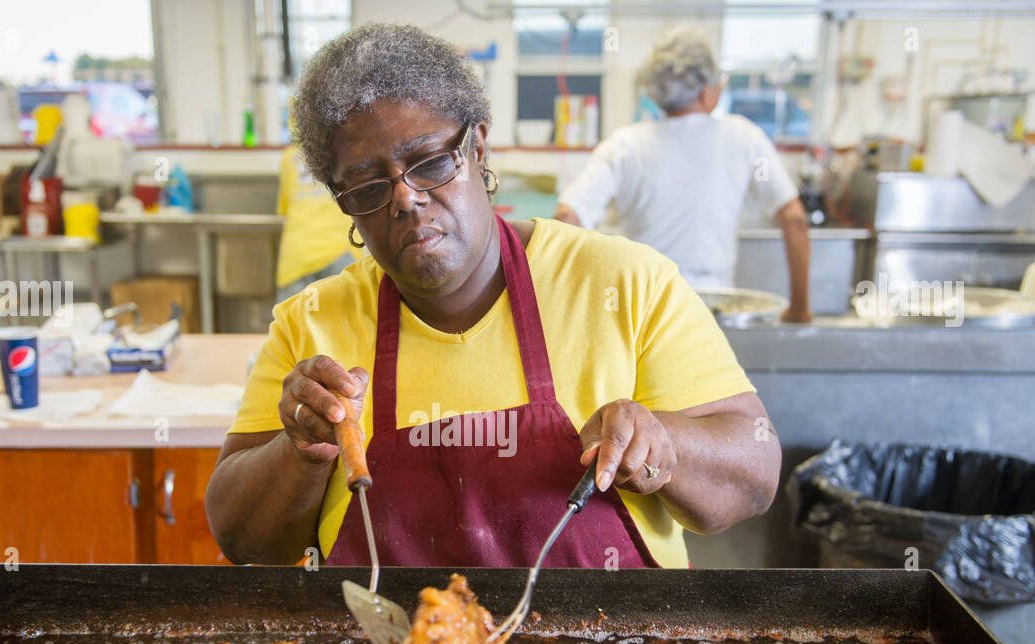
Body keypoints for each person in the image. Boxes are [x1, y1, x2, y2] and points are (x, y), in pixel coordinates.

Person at [205, 22, 781, 570]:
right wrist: (301, 451)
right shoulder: (312, 324)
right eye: (369, 186)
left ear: (478, 149)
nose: (405, 200)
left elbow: (756, 473)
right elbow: (242, 539)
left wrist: (666, 445)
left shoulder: (626, 284)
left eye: (430, 162)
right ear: (344, 203)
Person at [554, 27, 812, 323]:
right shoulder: (744, 137)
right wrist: (800, 309)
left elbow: (566, 219)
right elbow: (794, 219)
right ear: (706, 91)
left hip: (640, 308)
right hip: (713, 312)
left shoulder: (624, 145)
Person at [275, 143, 361, 300]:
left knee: (292, 322)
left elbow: (284, 208)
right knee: (346, 321)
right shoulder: (345, 147)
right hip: (340, 252)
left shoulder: (289, 156)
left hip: (296, 256)